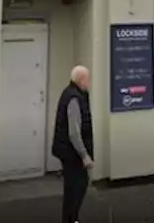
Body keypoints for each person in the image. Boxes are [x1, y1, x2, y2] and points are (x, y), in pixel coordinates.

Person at [52, 65, 94, 223]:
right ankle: (71, 219)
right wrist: (85, 155)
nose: (89, 82)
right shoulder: (74, 98)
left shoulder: (71, 94)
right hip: (72, 154)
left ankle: (70, 219)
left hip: (68, 152)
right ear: (81, 80)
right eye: (88, 79)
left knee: (72, 189)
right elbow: (74, 132)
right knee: (76, 189)